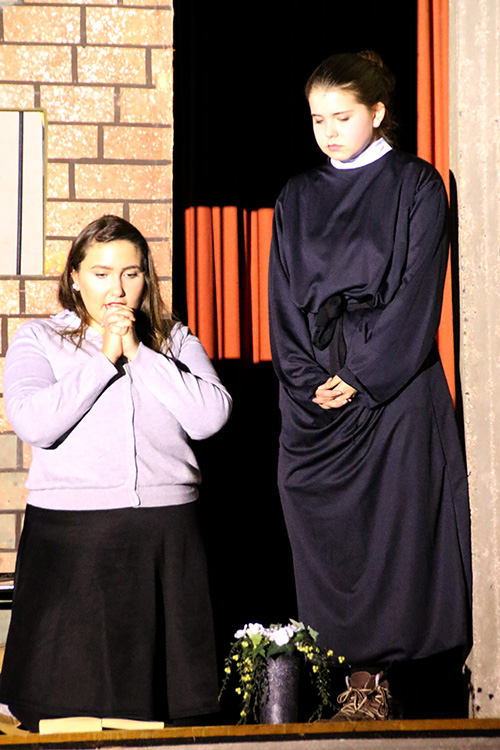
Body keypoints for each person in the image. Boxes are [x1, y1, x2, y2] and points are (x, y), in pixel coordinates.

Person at [268, 51, 471, 721]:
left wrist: (360, 376)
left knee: (395, 530)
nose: (328, 132)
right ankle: (353, 675)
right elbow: (283, 299)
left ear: (378, 112)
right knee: (325, 526)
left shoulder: (416, 184)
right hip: (316, 390)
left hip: (391, 382)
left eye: (343, 117)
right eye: (317, 119)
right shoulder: (297, 195)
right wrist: (307, 380)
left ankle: (378, 685)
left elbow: (418, 295)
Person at [0, 215, 232, 732]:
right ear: (75, 277)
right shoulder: (39, 338)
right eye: (101, 273)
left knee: (168, 717)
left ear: (146, 277)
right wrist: (104, 358)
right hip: (72, 543)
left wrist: (138, 354)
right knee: (64, 715)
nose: (117, 289)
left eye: (130, 273)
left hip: (165, 539)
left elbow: (210, 415)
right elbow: (34, 422)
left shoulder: (172, 339)